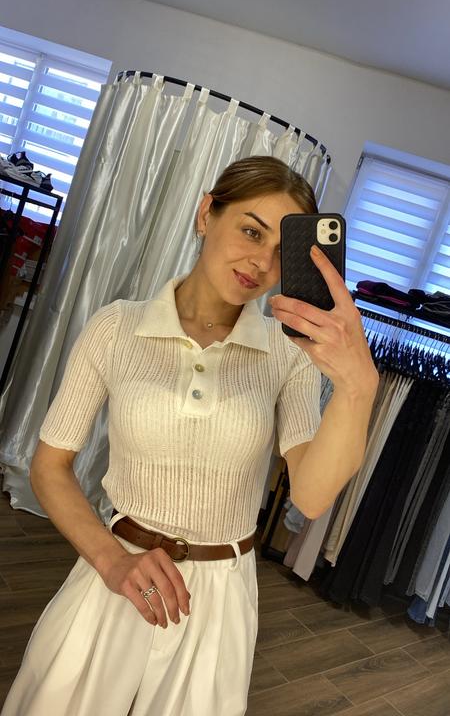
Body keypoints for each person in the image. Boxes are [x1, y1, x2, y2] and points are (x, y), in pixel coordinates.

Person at [2, 156, 379, 716]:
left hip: (220, 597)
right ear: (207, 214)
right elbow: (48, 466)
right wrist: (112, 561)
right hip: (116, 573)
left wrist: (358, 387)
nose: (261, 262)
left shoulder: (287, 354)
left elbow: (311, 495)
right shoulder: (116, 326)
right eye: (252, 231)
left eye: (282, 252)